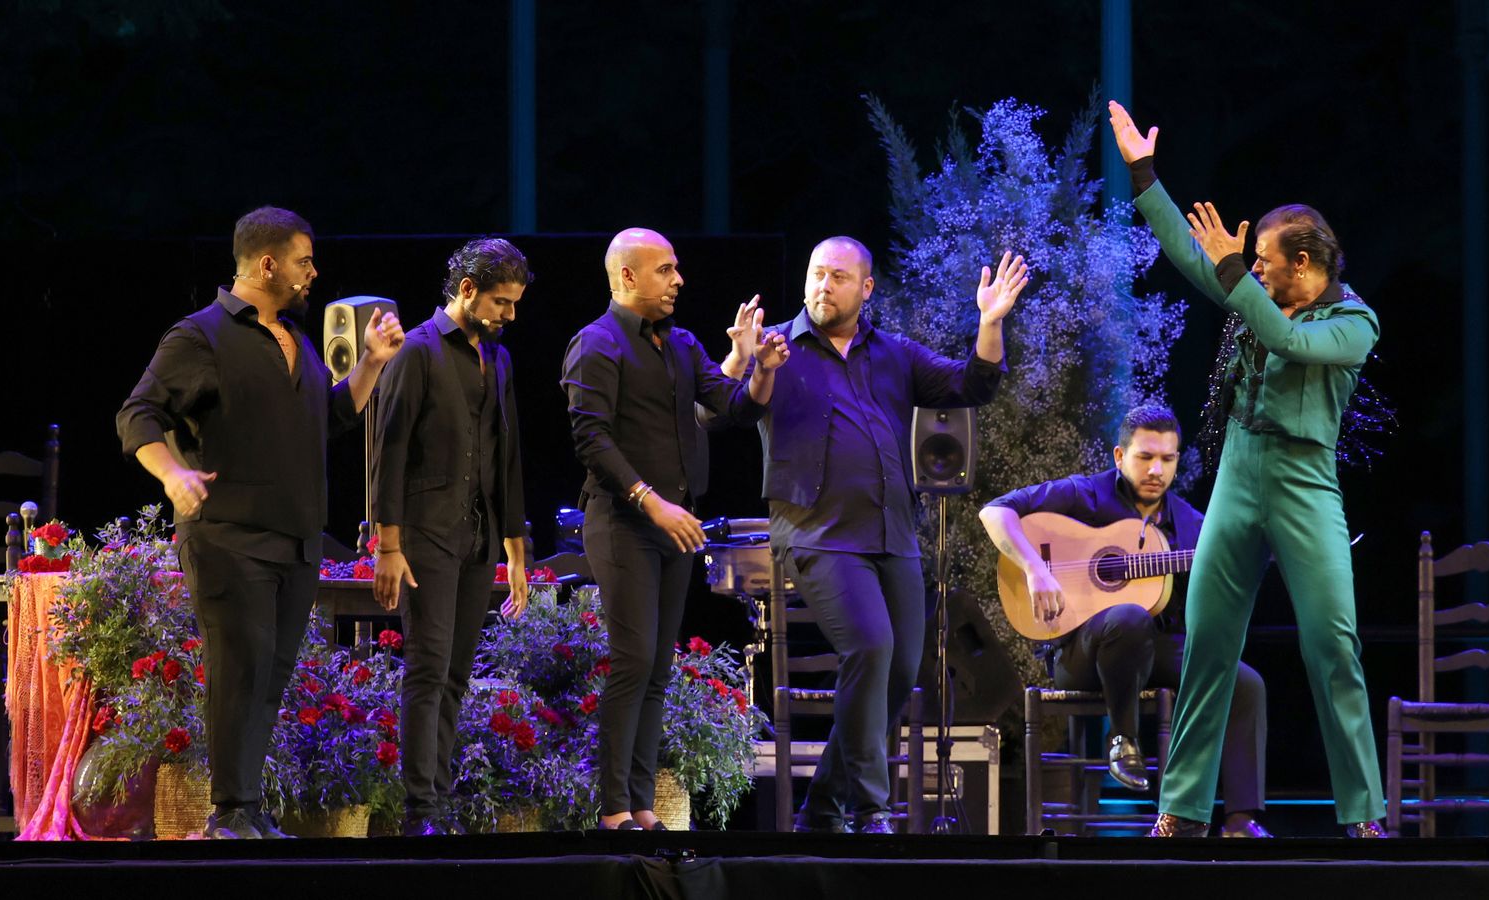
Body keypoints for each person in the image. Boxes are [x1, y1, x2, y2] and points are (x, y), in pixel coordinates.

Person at [1106, 101, 1387, 838]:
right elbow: (1188, 252)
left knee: (1332, 644)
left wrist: (1236, 275)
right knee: (1207, 642)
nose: (1254, 268)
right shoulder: (1253, 290)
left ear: (1305, 264)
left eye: (1265, 259)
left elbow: (1291, 344)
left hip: (1303, 481)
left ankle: (1363, 813)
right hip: (1238, 470)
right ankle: (1181, 809)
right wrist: (1144, 175)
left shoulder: (1353, 322)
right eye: (1251, 260)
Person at [722, 236, 1027, 834]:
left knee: (901, 669)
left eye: (838, 277)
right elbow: (723, 408)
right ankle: (870, 808)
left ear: (866, 288)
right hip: (817, 534)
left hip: (892, 535)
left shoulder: (893, 354)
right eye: (816, 273)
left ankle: (820, 810)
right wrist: (746, 362)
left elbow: (974, 385)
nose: (823, 286)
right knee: (869, 646)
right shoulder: (775, 347)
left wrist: (990, 323)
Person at [116, 206, 404, 839]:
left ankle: (245, 806)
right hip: (229, 536)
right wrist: (172, 473)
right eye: (304, 261)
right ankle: (228, 811)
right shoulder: (201, 335)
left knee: (269, 678)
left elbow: (329, 419)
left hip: (295, 541)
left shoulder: (296, 338)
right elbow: (137, 413)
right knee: (239, 671)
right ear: (268, 264)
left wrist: (372, 363)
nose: (313, 273)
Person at [561, 227, 788, 831]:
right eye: (664, 269)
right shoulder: (597, 343)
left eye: (676, 268)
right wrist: (652, 502)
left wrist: (763, 370)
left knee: (658, 667)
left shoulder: (681, 344)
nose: (678, 280)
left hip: (674, 527)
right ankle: (613, 808)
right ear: (627, 276)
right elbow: (591, 440)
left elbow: (734, 406)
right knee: (633, 660)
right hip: (623, 522)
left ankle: (640, 804)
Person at [979, 404, 1270, 838]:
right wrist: (1035, 569)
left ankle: (1240, 820)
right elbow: (995, 512)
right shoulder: (1085, 495)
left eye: (1167, 459)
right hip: (1081, 654)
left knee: (1245, 682)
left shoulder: (1191, 525)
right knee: (1129, 617)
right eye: (1145, 457)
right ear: (1120, 456)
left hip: (1154, 650)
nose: (1156, 470)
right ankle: (1122, 739)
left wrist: (1246, 564)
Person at [370, 238, 534, 836]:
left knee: (457, 674)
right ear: (467, 291)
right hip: (425, 535)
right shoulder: (418, 350)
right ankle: (421, 810)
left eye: (514, 303)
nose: (509, 314)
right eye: (500, 302)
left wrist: (515, 551)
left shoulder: (498, 358)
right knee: (428, 668)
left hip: (478, 537)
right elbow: (387, 454)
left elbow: (507, 457)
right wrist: (389, 546)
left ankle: (438, 797)